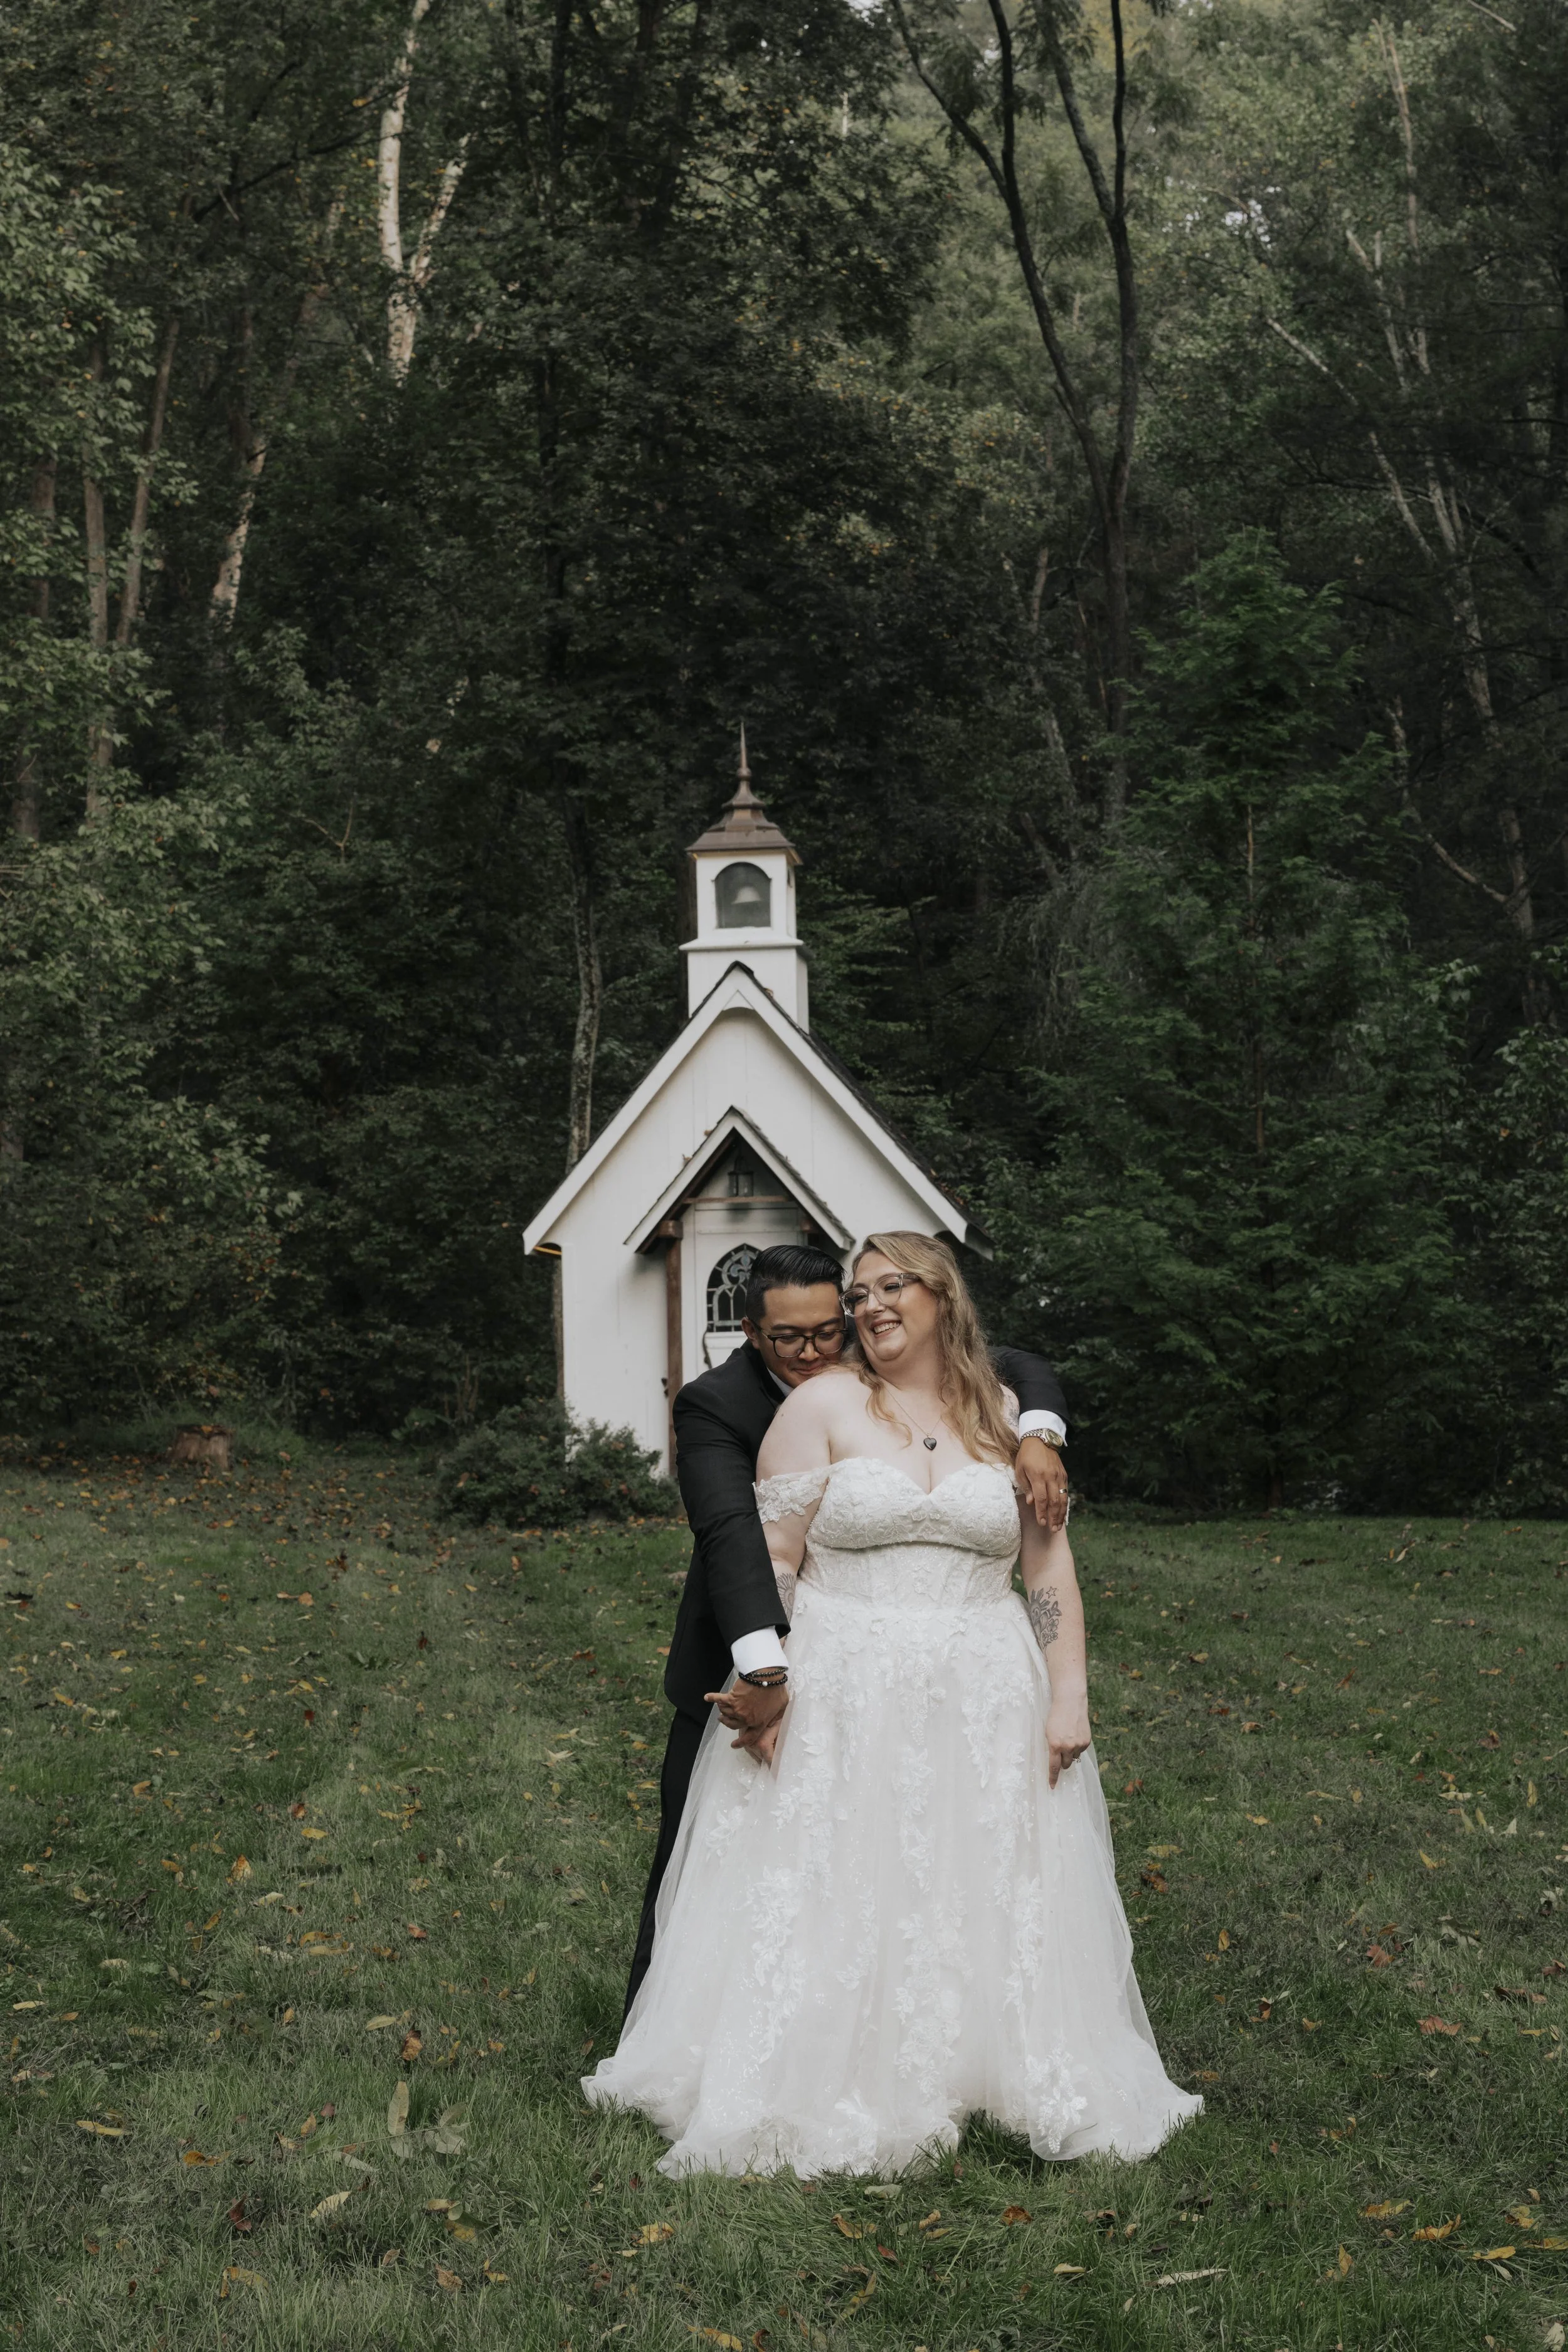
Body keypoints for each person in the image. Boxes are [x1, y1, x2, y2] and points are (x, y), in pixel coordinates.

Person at [587, 1232, 1200, 2177]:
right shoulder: (819, 1404)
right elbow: (774, 1556)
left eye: (890, 1287)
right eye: (860, 1292)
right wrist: (770, 1681)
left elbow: (1046, 1563)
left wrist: (1068, 1697)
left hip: (985, 1681)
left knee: (977, 1870)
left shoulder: (1008, 1416)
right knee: (844, 1871)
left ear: (941, 1298)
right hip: (844, 1674)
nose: (870, 1307)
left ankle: (982, 2062)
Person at [622, 1241, 1071, 2016]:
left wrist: (1040, 1429)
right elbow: (744, 1540)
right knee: (722, 1864)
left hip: (975, 1677)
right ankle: (665, 2022)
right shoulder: (723, 1404)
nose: (817, 1347)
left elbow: (1015, 1371)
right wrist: (766, 1674)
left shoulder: (968, 1388)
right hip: (784, 1647)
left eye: (831, 1327)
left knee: (960, 1863)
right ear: (752, 1334)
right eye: (789, 1338)